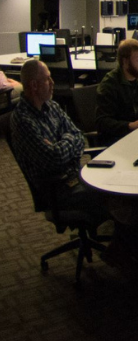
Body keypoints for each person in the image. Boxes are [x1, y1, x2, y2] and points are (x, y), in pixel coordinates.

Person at [9, 58, 109, 220]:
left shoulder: (52, 106)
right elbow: (54, 158)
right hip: (58, 189)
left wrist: (61, 144)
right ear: (34, 85)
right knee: (113, 196)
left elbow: (78, 135)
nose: (53, 82)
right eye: (47, 78)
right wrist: (67, 143)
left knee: (115, 183)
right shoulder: (22, 120)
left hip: (75, 176)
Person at [95, 38, 138, 144]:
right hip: (117, 138)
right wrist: (129, 125)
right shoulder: (109, 84)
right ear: (125, 62)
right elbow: (102, 122)